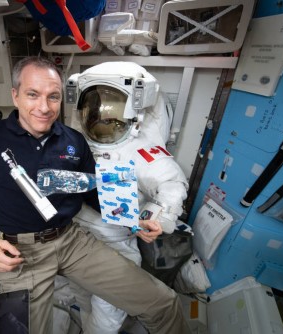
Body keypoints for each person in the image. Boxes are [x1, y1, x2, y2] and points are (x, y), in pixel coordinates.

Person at [0, 56, 190, 334]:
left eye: (53, 97)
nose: (44, 107)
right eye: (33, 95)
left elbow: (91, 191)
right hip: (21, 252)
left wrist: (133, 220)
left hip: (72, 241)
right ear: (15, 95)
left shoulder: (73, 140)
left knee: (163, 302)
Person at [55, 62, 190, 333]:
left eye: (112, 111)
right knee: (81, 295)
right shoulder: (73, 143)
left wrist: (152, 218)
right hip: (76, 238)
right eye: (95, 107)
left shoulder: (140, 152)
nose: (102, 118)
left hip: (116, 243)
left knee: (107, 311)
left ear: (135, 111)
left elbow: (172, 185)